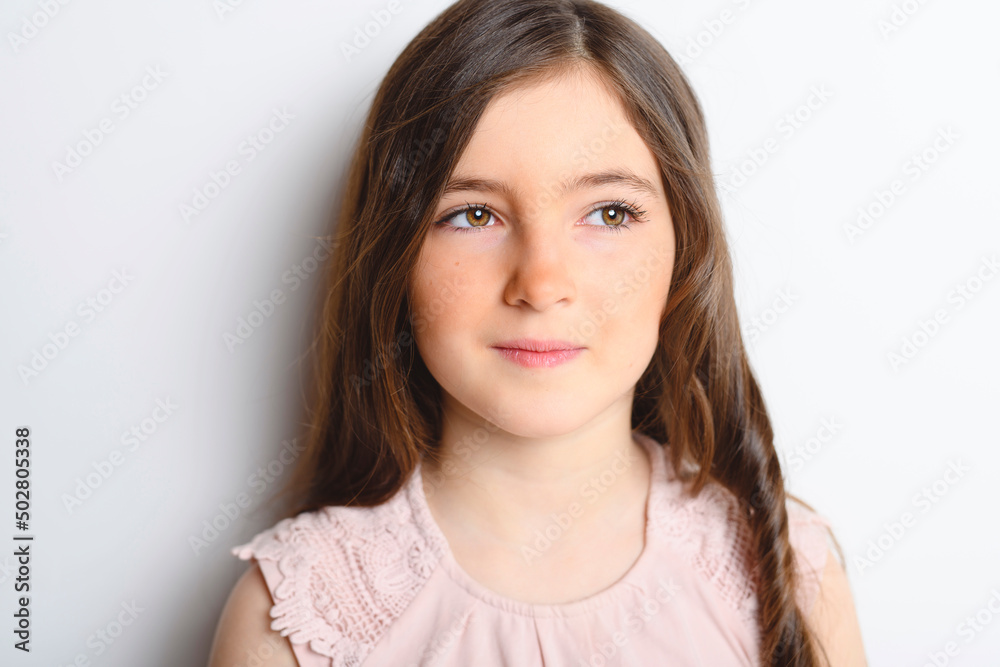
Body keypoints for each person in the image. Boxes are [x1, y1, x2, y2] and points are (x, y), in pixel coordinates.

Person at [207, 0, 867, 664]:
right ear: (394, 257)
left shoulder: (789, 573)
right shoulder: (295, 615)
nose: (542, 281)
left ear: (685, 255)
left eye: (609, 213)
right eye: (473, 214)